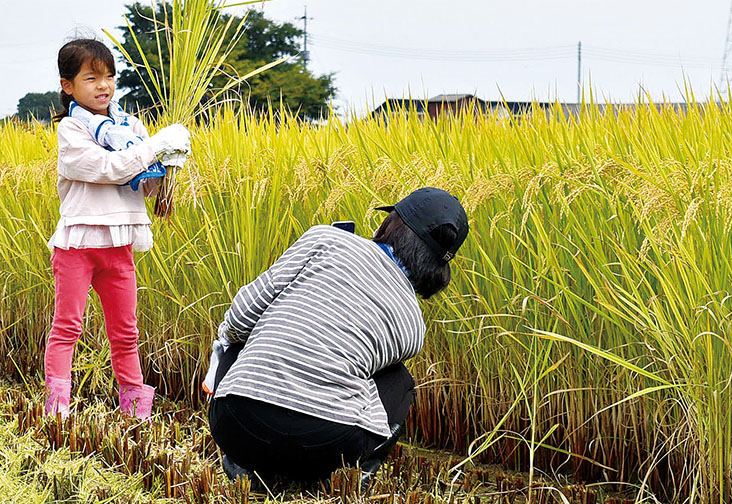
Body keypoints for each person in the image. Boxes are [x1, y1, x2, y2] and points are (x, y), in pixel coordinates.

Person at [206, 187, 469, 488]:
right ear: (438, 269)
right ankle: (358, 470)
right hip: (327, 446)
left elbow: (240, 316)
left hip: (235, 423)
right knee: (399, 381)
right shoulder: (413, 326)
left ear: (390, 225)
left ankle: (244, 462)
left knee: (239, 335)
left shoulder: (326, 239)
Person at [43, 38, 192, 420]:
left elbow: (143, 183)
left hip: (119, 245)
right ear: (67, 85)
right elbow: (109, 169)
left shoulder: (130, 127)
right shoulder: (72, 131)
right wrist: (155, 145)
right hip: (77, 246)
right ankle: (57, 413)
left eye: (109, 76)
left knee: (126, 333)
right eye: (91, 78)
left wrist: (168, 166)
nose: (103, 85)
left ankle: (135, 414)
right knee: (67, 328)